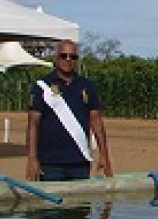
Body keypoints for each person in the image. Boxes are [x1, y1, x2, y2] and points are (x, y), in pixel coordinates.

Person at [26, 40, 113, 181]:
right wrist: (32, 159)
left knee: (81, 203)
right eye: (63, 55)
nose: (68, 60)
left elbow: (97, 123)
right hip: (50, 164)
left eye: (73, 57)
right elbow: (32, 126)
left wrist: (104, 156)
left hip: (80, 162)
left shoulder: (87, 86)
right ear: (56, 58)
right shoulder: (42, 87)